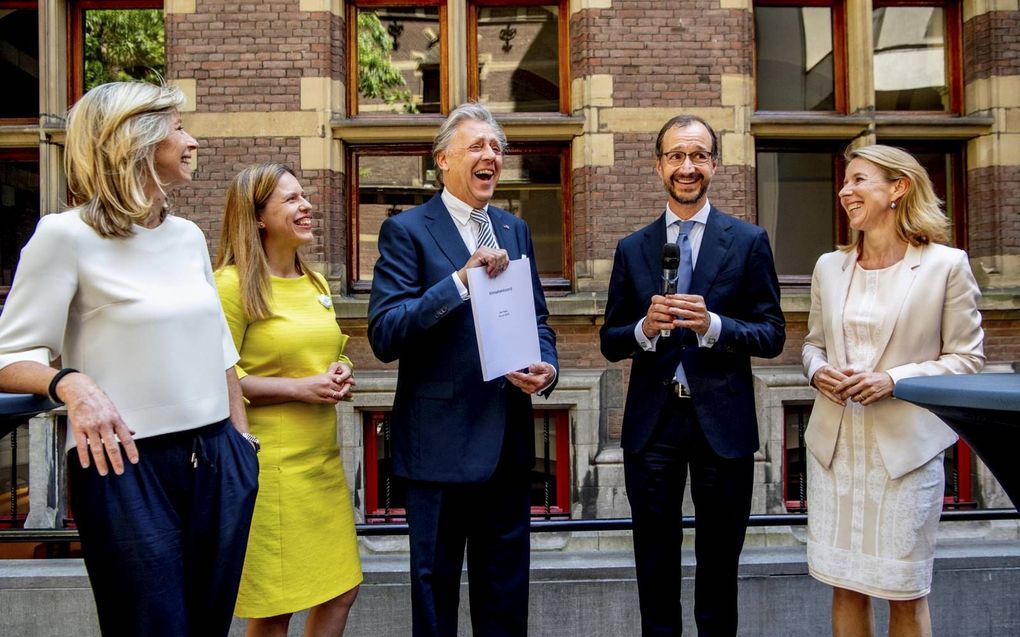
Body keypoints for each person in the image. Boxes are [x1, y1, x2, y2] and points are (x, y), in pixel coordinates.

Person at [0, 81, 259, 636]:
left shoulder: (188, 237)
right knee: (151, 627)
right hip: (122, 466)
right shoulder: (63, 236)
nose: (192, 143)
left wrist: (243, 449)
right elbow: (9, 356)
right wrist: (71, 385)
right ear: (137, 142)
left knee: (207, 625)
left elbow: (219, 349)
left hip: (218, 459)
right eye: (179, 129)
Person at [367, 102, 559, 637]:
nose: (490, 156)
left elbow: (538, 319)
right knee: (436, 601)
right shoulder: (405, 231)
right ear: (442, 161)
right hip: (438, 451)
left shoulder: (513, 229)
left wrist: (548, 367)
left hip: (507, 448)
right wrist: (458, 282)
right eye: (477, 146)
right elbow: (385, 333)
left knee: (505, 602)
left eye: (496, 147)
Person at [600, 114, 785, 636]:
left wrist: (715, 326)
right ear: (659, 165)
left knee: (719, 572)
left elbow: (772, 334)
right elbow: (610, 342)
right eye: (677, 156)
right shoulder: (633, 248)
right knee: (653, 569)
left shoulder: (748, 241)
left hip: (721, 427)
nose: (688, 166)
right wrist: (643, 329)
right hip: (653, 427)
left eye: (699, 155)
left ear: (713, 164)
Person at [802, 144, 984, 637]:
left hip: (904, 457)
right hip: (835, 455)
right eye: (845, 181)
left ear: (898, 188)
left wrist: (894, 380)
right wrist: (818, 372)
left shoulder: (947, 265)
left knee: (904, 591)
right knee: (845, 585)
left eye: (859, 180)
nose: (845, 191)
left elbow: (968, 360)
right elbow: (812, 345)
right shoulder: (828, 267)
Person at [214, 163, 362, 636]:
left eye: (304, 197)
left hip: (321, 463)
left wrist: (341, 371)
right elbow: (217, 375)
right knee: (276, 606)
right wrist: (299, 389)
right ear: (258, 216)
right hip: (270, 468)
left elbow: (331, 351)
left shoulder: (315, 283)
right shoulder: (231, 286)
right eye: (292, 200)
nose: (307, 206)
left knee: (340, 590)